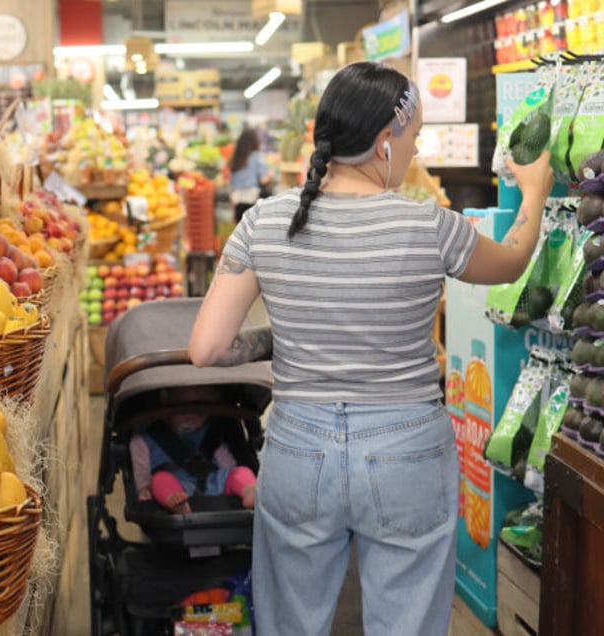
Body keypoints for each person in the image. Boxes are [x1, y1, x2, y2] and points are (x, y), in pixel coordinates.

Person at [187, 61, 554, 636]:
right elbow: (511, 259)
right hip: (408, 451)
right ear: (385, 141)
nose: (414, 150)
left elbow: (207, 348)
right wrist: (532, 191)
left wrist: (293, 335)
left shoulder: (265, 220)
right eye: (412, 138)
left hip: (298, 451)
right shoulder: (428, 225)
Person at [130, 387, 257, 514]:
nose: (192, 419)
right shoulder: (145, 437)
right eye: (184, 412)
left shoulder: (212, 432)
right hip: (176, 484)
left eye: (200, 414)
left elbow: (226, 461)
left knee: (240, 471)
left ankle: (249, 490)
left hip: (213, 480)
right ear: (165, 398)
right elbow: (140, 467)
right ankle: (176, 503)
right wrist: (143, 487)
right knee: (159, 479)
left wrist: (233, 478)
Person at [229, 128, 274, 224]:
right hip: (252, 199)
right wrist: (270, 175)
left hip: (237, 199)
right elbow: (263, 180)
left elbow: (231, 184)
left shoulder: (236, 158)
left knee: (241, 232)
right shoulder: (257, 156)